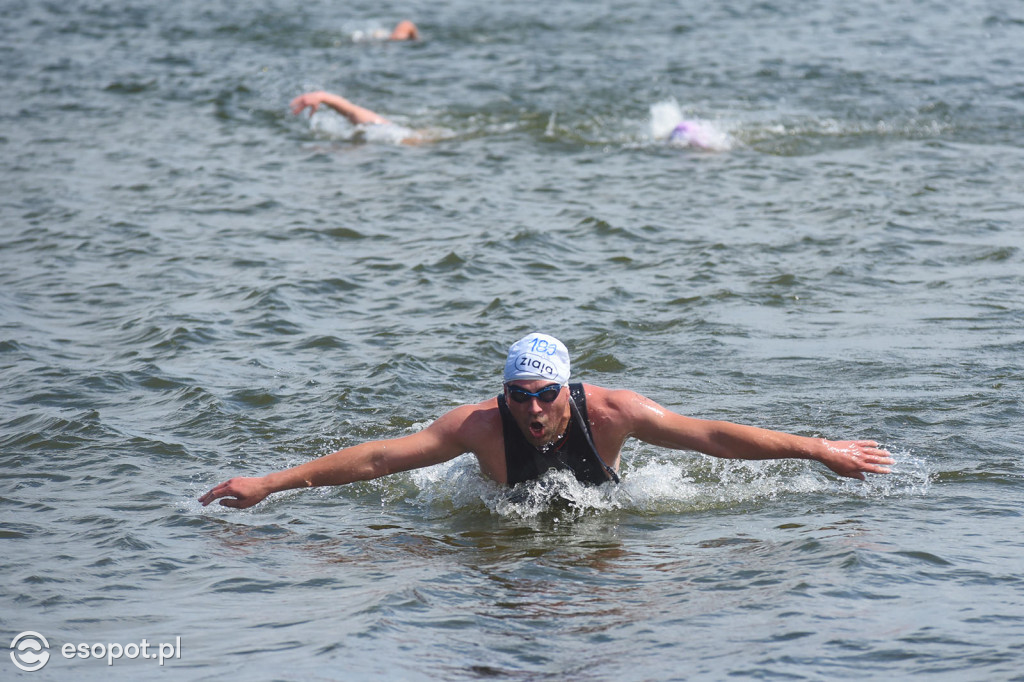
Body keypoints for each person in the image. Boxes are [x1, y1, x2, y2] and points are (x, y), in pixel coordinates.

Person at [200, 333, 894, 510]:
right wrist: (269, 483)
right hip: (506, 513)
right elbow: (382, 460)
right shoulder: (476, 426)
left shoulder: (617, 413)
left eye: (545, 394)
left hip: (603, 507)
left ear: (568, 388)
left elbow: (709, 437)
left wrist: (815, 448)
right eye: (519, 395)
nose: (532, 408)